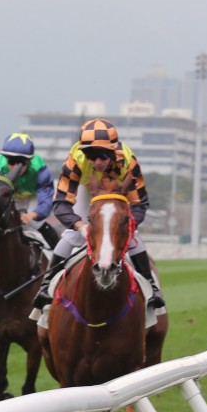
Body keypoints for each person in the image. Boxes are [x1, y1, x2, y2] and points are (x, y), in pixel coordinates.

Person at [32, 118, 164, 311]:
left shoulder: (127, 161)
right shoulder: (75, 160)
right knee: (72, 235)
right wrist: (80, 225)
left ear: (113, 150)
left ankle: (152, 288)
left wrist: (126, 226)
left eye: (103, 156)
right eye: (91, 156)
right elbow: (61, 203)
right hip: (88, 191)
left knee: (132, 236)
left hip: (117, 192)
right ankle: (46, 287)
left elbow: (139, 203)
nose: (97, 162)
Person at [0, 132, 61, 248]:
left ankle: (60, 258)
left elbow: (46, 200)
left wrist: (32, 215)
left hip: (32, 196)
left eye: (21, 163)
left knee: (36, 223)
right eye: (12, 162)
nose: (15, 168)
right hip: (10, 195)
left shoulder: (40, 170)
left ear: (29, 161)